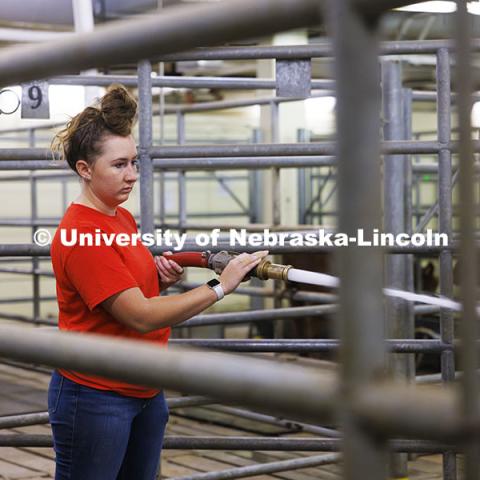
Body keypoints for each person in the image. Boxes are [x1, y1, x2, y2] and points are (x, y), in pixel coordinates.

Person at [48, 84, 267, 480]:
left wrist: (158, 283)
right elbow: (140, 316)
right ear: (84, 169)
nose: (132, 175)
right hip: (98, 393)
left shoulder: (120, 217)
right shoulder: (81, 233)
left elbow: (124, 296)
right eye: (119, 165)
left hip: (145, 387)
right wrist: (220, 286)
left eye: (134, 162)